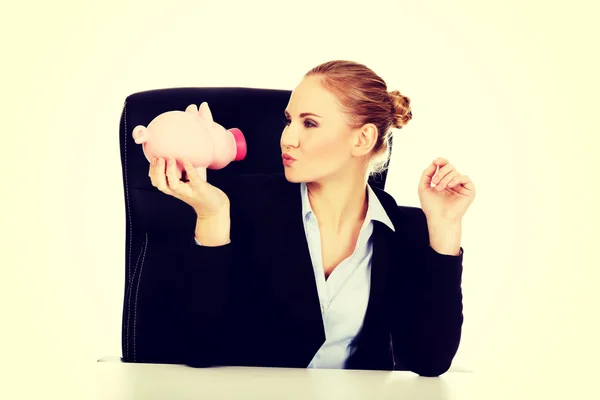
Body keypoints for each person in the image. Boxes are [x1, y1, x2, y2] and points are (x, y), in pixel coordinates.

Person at [147, 60, 476, 377]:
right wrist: (212, 217)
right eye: (289, 120)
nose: (287, 138)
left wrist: (445, 229)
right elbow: (199, 349)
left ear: (362, 139)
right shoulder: (238, 206)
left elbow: (429, 360)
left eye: (309, 123)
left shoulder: (407, 230)